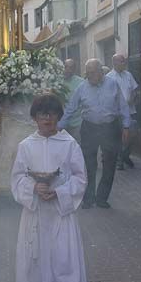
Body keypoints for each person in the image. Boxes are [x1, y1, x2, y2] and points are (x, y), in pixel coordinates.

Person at [11, 93, 88, 282]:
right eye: (42, 113)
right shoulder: (26, 145)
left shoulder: (69, 144)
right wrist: (34, 187)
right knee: (36, 259)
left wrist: (60, 192)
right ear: (35, 117)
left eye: (52, 113)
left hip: (59, 213)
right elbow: (16, 178)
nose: (47, 118)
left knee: (62, 259)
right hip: (35, 213)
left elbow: (80, 177)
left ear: (59, 116)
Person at [58, 58, 131, 209]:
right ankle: (88, 198)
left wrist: (126, 126)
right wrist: (58, 127)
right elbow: (71, 109)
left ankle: (102, 198)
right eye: (87, 73)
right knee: (88, 164)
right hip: (89, 128)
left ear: (100, 72)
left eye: (92, 73)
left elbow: (123, 106)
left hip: (110, 128)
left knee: (109, 164)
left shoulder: (112, 84)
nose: (89, 76)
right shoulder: (82, 87)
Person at [106, 53, 139, 169]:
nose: (124, 63)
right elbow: (108, 96)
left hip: (131, 111)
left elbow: (135, 89)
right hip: (118, 113)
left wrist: (132, 98)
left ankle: (126, 154)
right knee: (120, 136)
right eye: (122, 61)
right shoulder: (109, 77)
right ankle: (120, 160)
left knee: (133, 135)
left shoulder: (128, 75)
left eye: (124, 61)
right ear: (114, 63)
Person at [61, 57, 84, 142]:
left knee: (76, 146)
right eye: (66, 67)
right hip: (61, 122)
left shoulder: (81, 82)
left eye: (71, 67)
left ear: (74, 69)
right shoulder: (57, 81)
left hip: (76, 122)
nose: (68, 70)